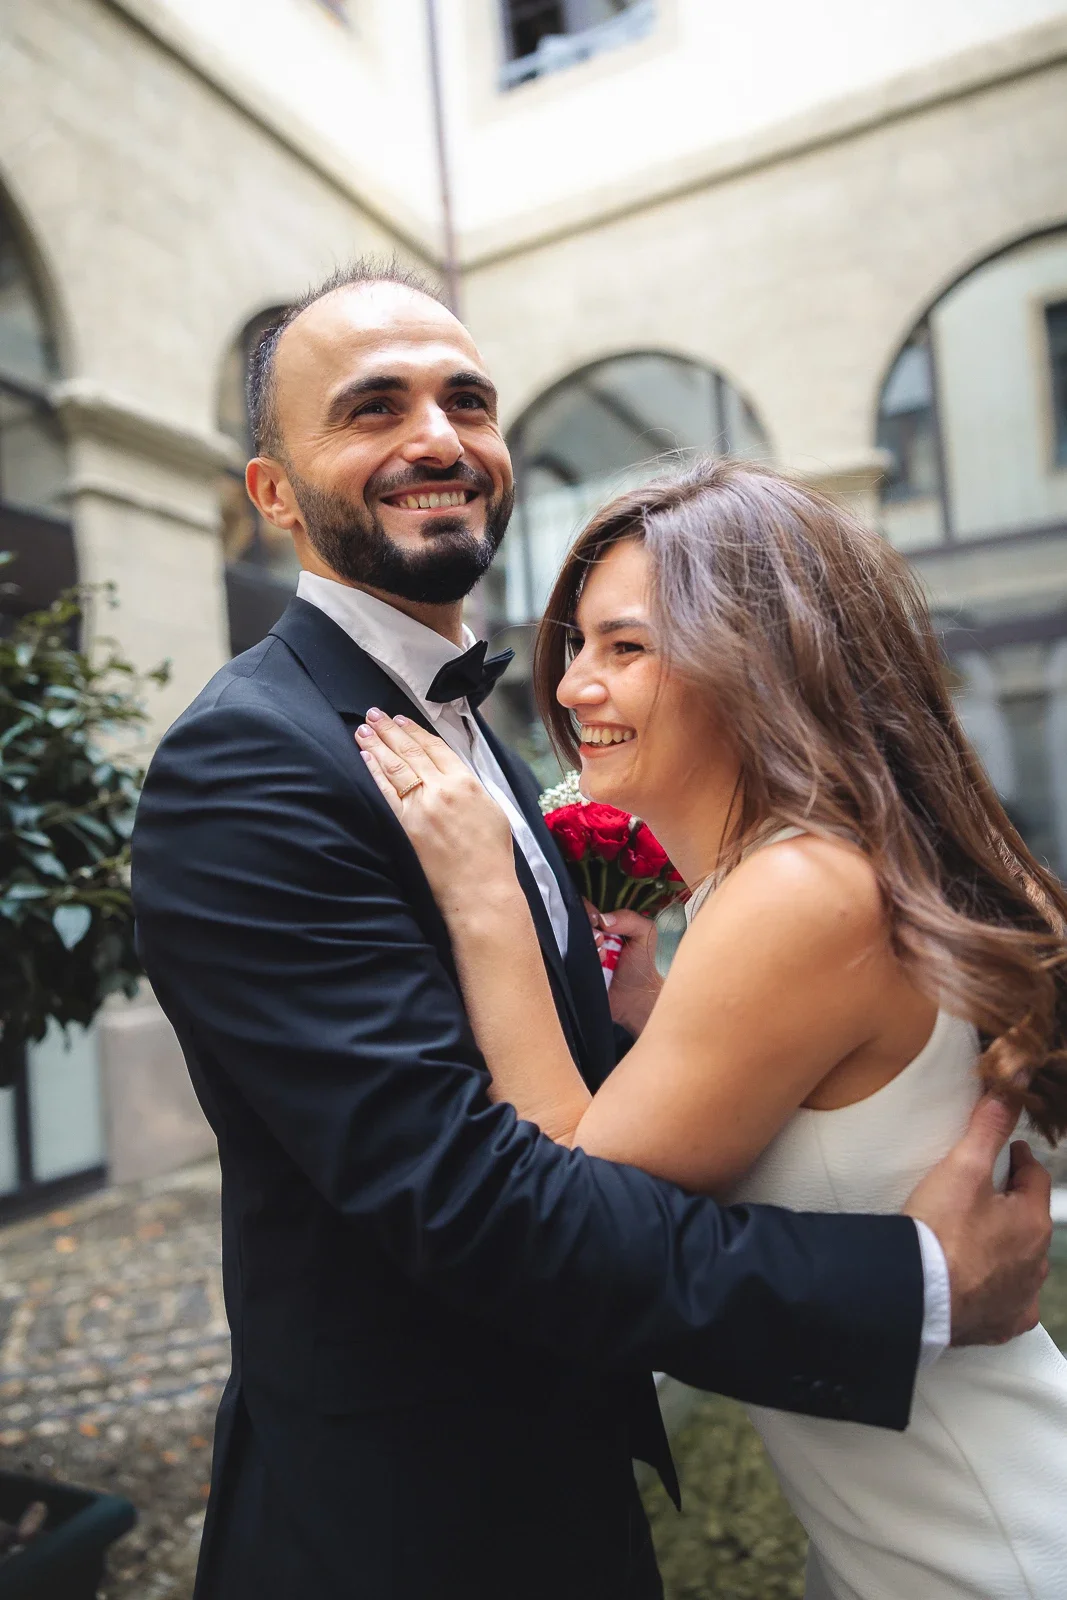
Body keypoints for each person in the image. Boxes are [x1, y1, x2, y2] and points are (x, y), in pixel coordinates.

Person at [131, 263, 1050, 1600]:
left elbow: (616, 1115)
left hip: (563, 1470)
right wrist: (909, 1281)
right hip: (404, 1521)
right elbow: (472, 1199)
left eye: (467, 401)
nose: (437, 438)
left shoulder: (493, 751)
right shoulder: (247, 763)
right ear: (273, 492)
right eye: (374, 406)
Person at [358, 455, 1067, 1599]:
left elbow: (573, 1207)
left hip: (981, 1545)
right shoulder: (813, 868)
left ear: (760, 656)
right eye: (577, 644)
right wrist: (653, 1011)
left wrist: (485, 898)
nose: (572, 686)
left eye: (625, 647)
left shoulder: (798, 889)